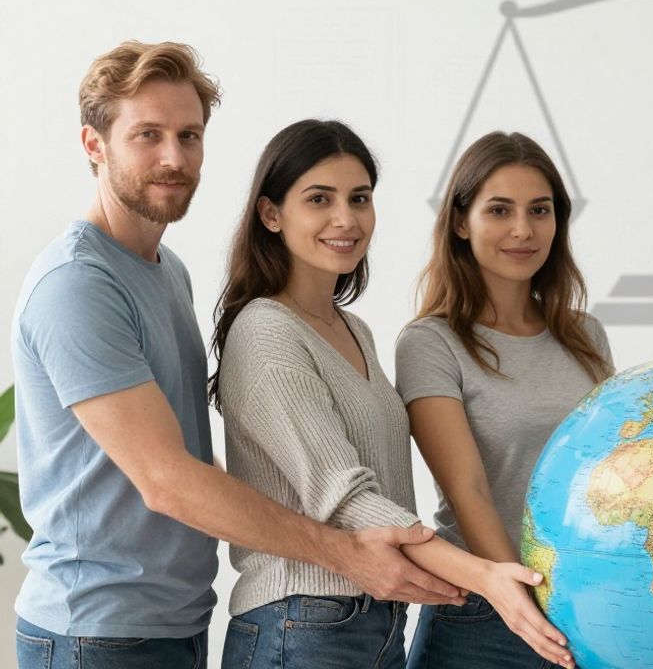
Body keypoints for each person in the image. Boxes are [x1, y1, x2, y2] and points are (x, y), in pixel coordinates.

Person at [11, 42, 460, 669]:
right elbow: (166, 480)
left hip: (176, 620)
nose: (174, 157)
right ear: (94, 145)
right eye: (147, 135)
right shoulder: (78, 285)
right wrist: (343, 552)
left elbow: (194, 457)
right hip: (95, 631)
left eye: (189, 135)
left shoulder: (168, 273)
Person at [211, 120, 560, 668]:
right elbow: (348, 498)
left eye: (360, 198)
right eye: (319, 199)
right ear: (271, 214)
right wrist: (486, 577)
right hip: (299, 623)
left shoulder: (355, 331)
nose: (345, 219)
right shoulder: (266, 330)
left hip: (375, 618)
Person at [397, 131, 613, 669]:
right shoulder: (430, 342)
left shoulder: (585, 337)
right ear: (459, 222)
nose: (523, 229)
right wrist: (518, 597)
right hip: (483, 615)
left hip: (583, 612)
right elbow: (466, 490)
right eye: (500, 210)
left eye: (539, 210)